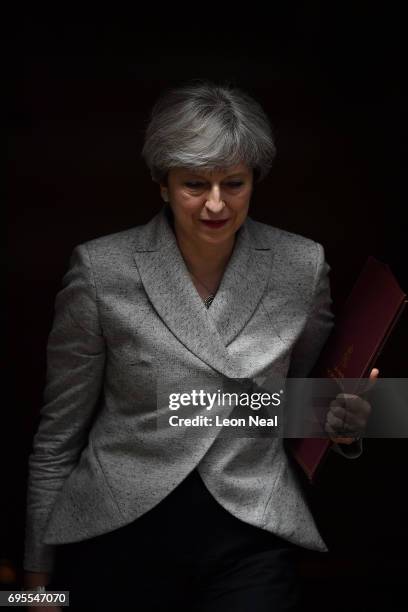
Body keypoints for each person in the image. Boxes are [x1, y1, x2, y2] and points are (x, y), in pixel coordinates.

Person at [23, 79, 377, 611]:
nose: (216, 204)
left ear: (254, 181)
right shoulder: (101, 270)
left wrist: (344, 424)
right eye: (194, 185)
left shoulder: (301, 266)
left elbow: (293, 408)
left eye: (233, 183)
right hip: (117, 526)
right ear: (161, 184)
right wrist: (35, 577)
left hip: (250, 528)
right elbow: (58, 432)